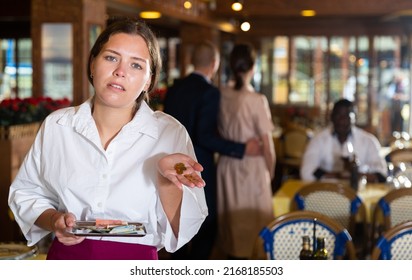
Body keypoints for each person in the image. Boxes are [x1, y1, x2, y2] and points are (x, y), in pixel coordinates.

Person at [8, 17, 208, 260]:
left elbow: (183, 229)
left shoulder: (169, 133)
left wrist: (167, 182)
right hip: (67, 259)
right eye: (111, 58)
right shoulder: (58, 125)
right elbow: (26, 192)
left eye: (136, 65)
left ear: (149, 80)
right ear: (93, 64)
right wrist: (55, 220)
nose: (120, 72)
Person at [163, 41, 262, 260]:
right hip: (199, 166)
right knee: (205, 225)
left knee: (177, 222)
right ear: (215, 64)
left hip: (171, 165)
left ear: (191, 61)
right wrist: (242, 148)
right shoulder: (210, 92)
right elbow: (204, 136)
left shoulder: (174, 87)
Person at [216, 43, 276, 259]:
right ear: (253, 67)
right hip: (252, 168)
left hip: (226, 165)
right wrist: (270, 172)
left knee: (231, 228)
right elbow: (268, 147)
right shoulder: (256, 100)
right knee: (254, 230)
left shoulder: (221, 94)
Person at [300, 98, 387, 183]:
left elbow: (382, 174)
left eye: (346, 116)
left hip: (360, 194)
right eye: (338, 115)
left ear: (355, 118)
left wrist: (354, 176)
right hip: (327, 194)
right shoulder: (318, 140)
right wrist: (339, 176)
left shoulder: (368, 141)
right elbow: (306, 173)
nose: (341, 120)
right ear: (332, 117)